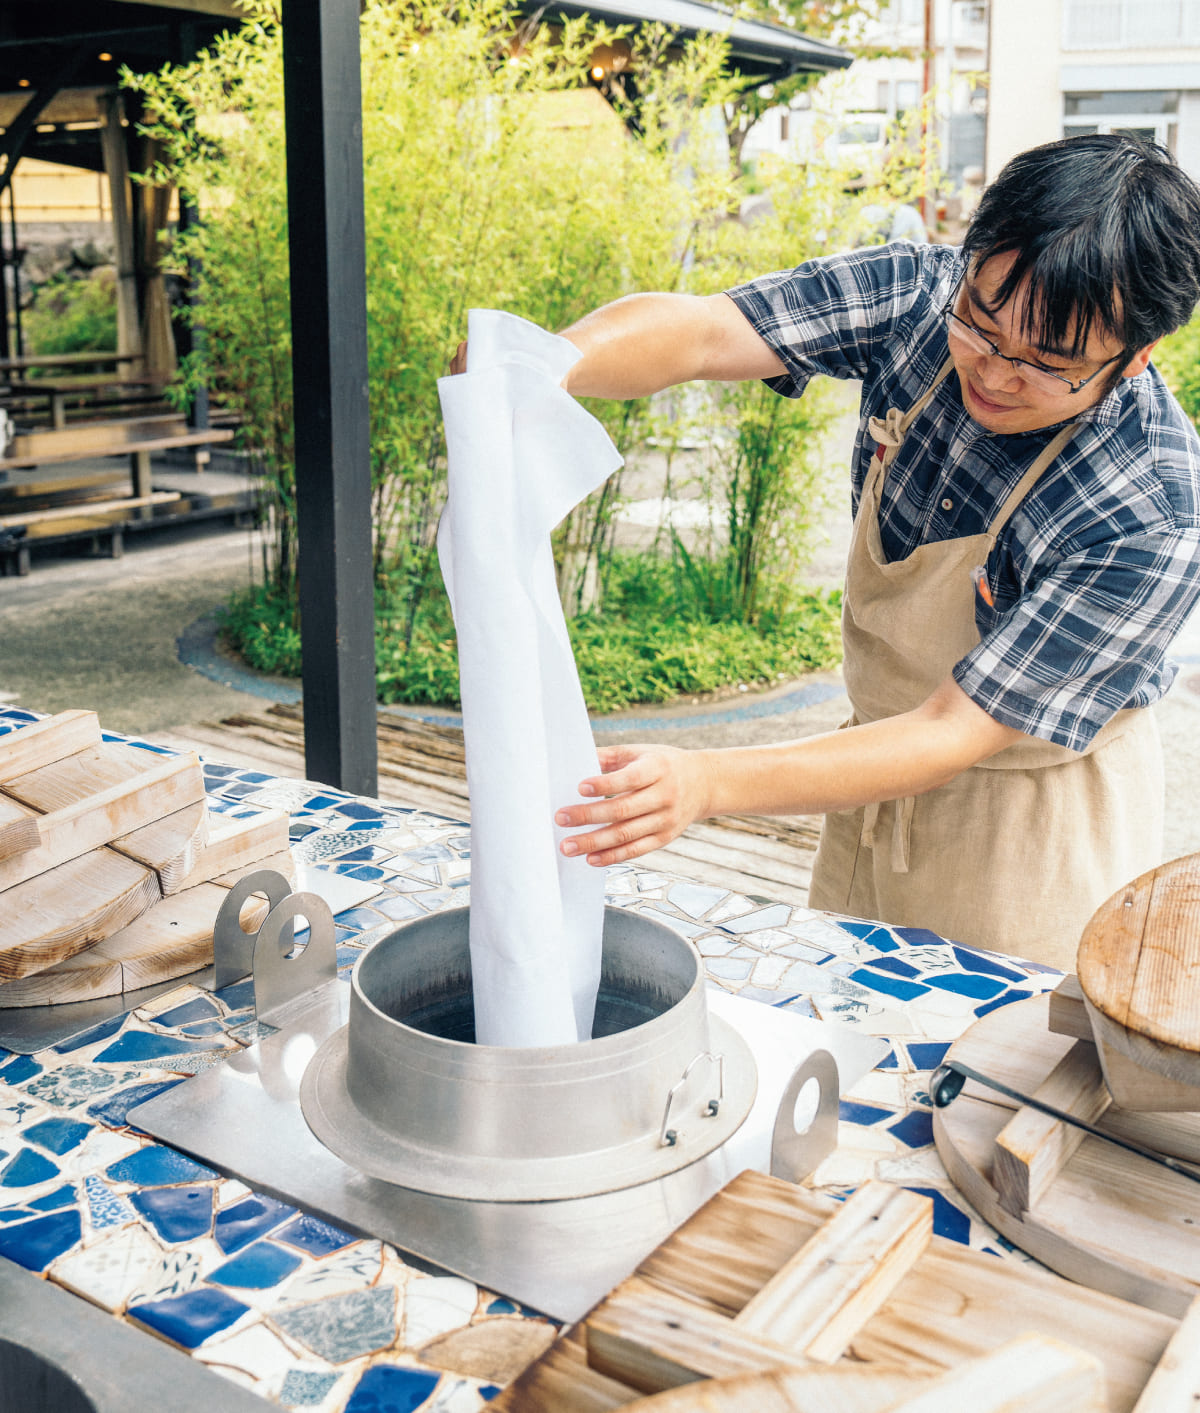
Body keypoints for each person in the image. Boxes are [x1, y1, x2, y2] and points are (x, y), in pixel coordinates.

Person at [453, 135, 1200, 968]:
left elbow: (949, 732)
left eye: (1045, 362)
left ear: (1134, 356)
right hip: (863, 773)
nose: (993, 371)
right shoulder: (922, 294)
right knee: (851, 1033)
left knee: (990, 1074)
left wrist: (704, 782)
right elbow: (704, 332)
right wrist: (542, 367)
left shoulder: (1150, 512)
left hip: (1028, 822)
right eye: (982, 325)